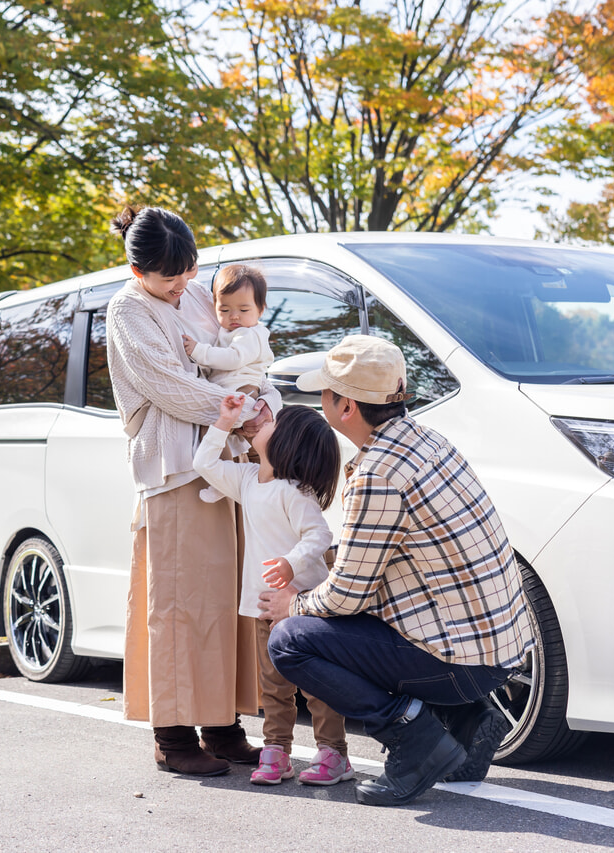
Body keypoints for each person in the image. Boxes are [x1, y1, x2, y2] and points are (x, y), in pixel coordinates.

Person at [259, 335, 534, 807]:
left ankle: (416, 738)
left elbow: (346, 596)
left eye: (326, 392)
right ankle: (468, 719)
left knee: (290, 640)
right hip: (500, 655)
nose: (320, 400)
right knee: (346, 619)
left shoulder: (378, 473)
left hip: (459, 665)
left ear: (345, 407)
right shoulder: (429, 441)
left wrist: (292, 604)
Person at [106, 205, 281, 776]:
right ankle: (174, 735)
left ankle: (222, 723)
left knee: (224, 600)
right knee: (180, 604)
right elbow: (169, 386)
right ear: (138, 271)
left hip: (223, 461)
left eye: (188, 270)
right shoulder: (129, 309)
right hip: (176, 468)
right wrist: (243, 413)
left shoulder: (201, 293)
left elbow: (242, 350)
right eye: (167, 276)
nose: (182, 284)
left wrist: (255, 404)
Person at [193, 395, 355, 788]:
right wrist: (223, 421)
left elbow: (319, 534)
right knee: (274, 686)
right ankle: (277, 751)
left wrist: (291, 563)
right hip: (263, 604)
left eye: (273, 421)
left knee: (318, 685)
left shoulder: (293, 491)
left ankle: (333, 753)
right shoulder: (248, 480)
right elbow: (204, 464)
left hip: (303, 605)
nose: (261, 420)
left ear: (287, 442)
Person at [181, 264, 274, 398]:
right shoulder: (227, 330)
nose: (234, 316)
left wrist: (199, 350)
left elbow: (234, 358)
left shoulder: (251, 334)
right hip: (227, 387)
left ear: (261, 310)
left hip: (242, 388)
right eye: (224, 310)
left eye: (243, 310)